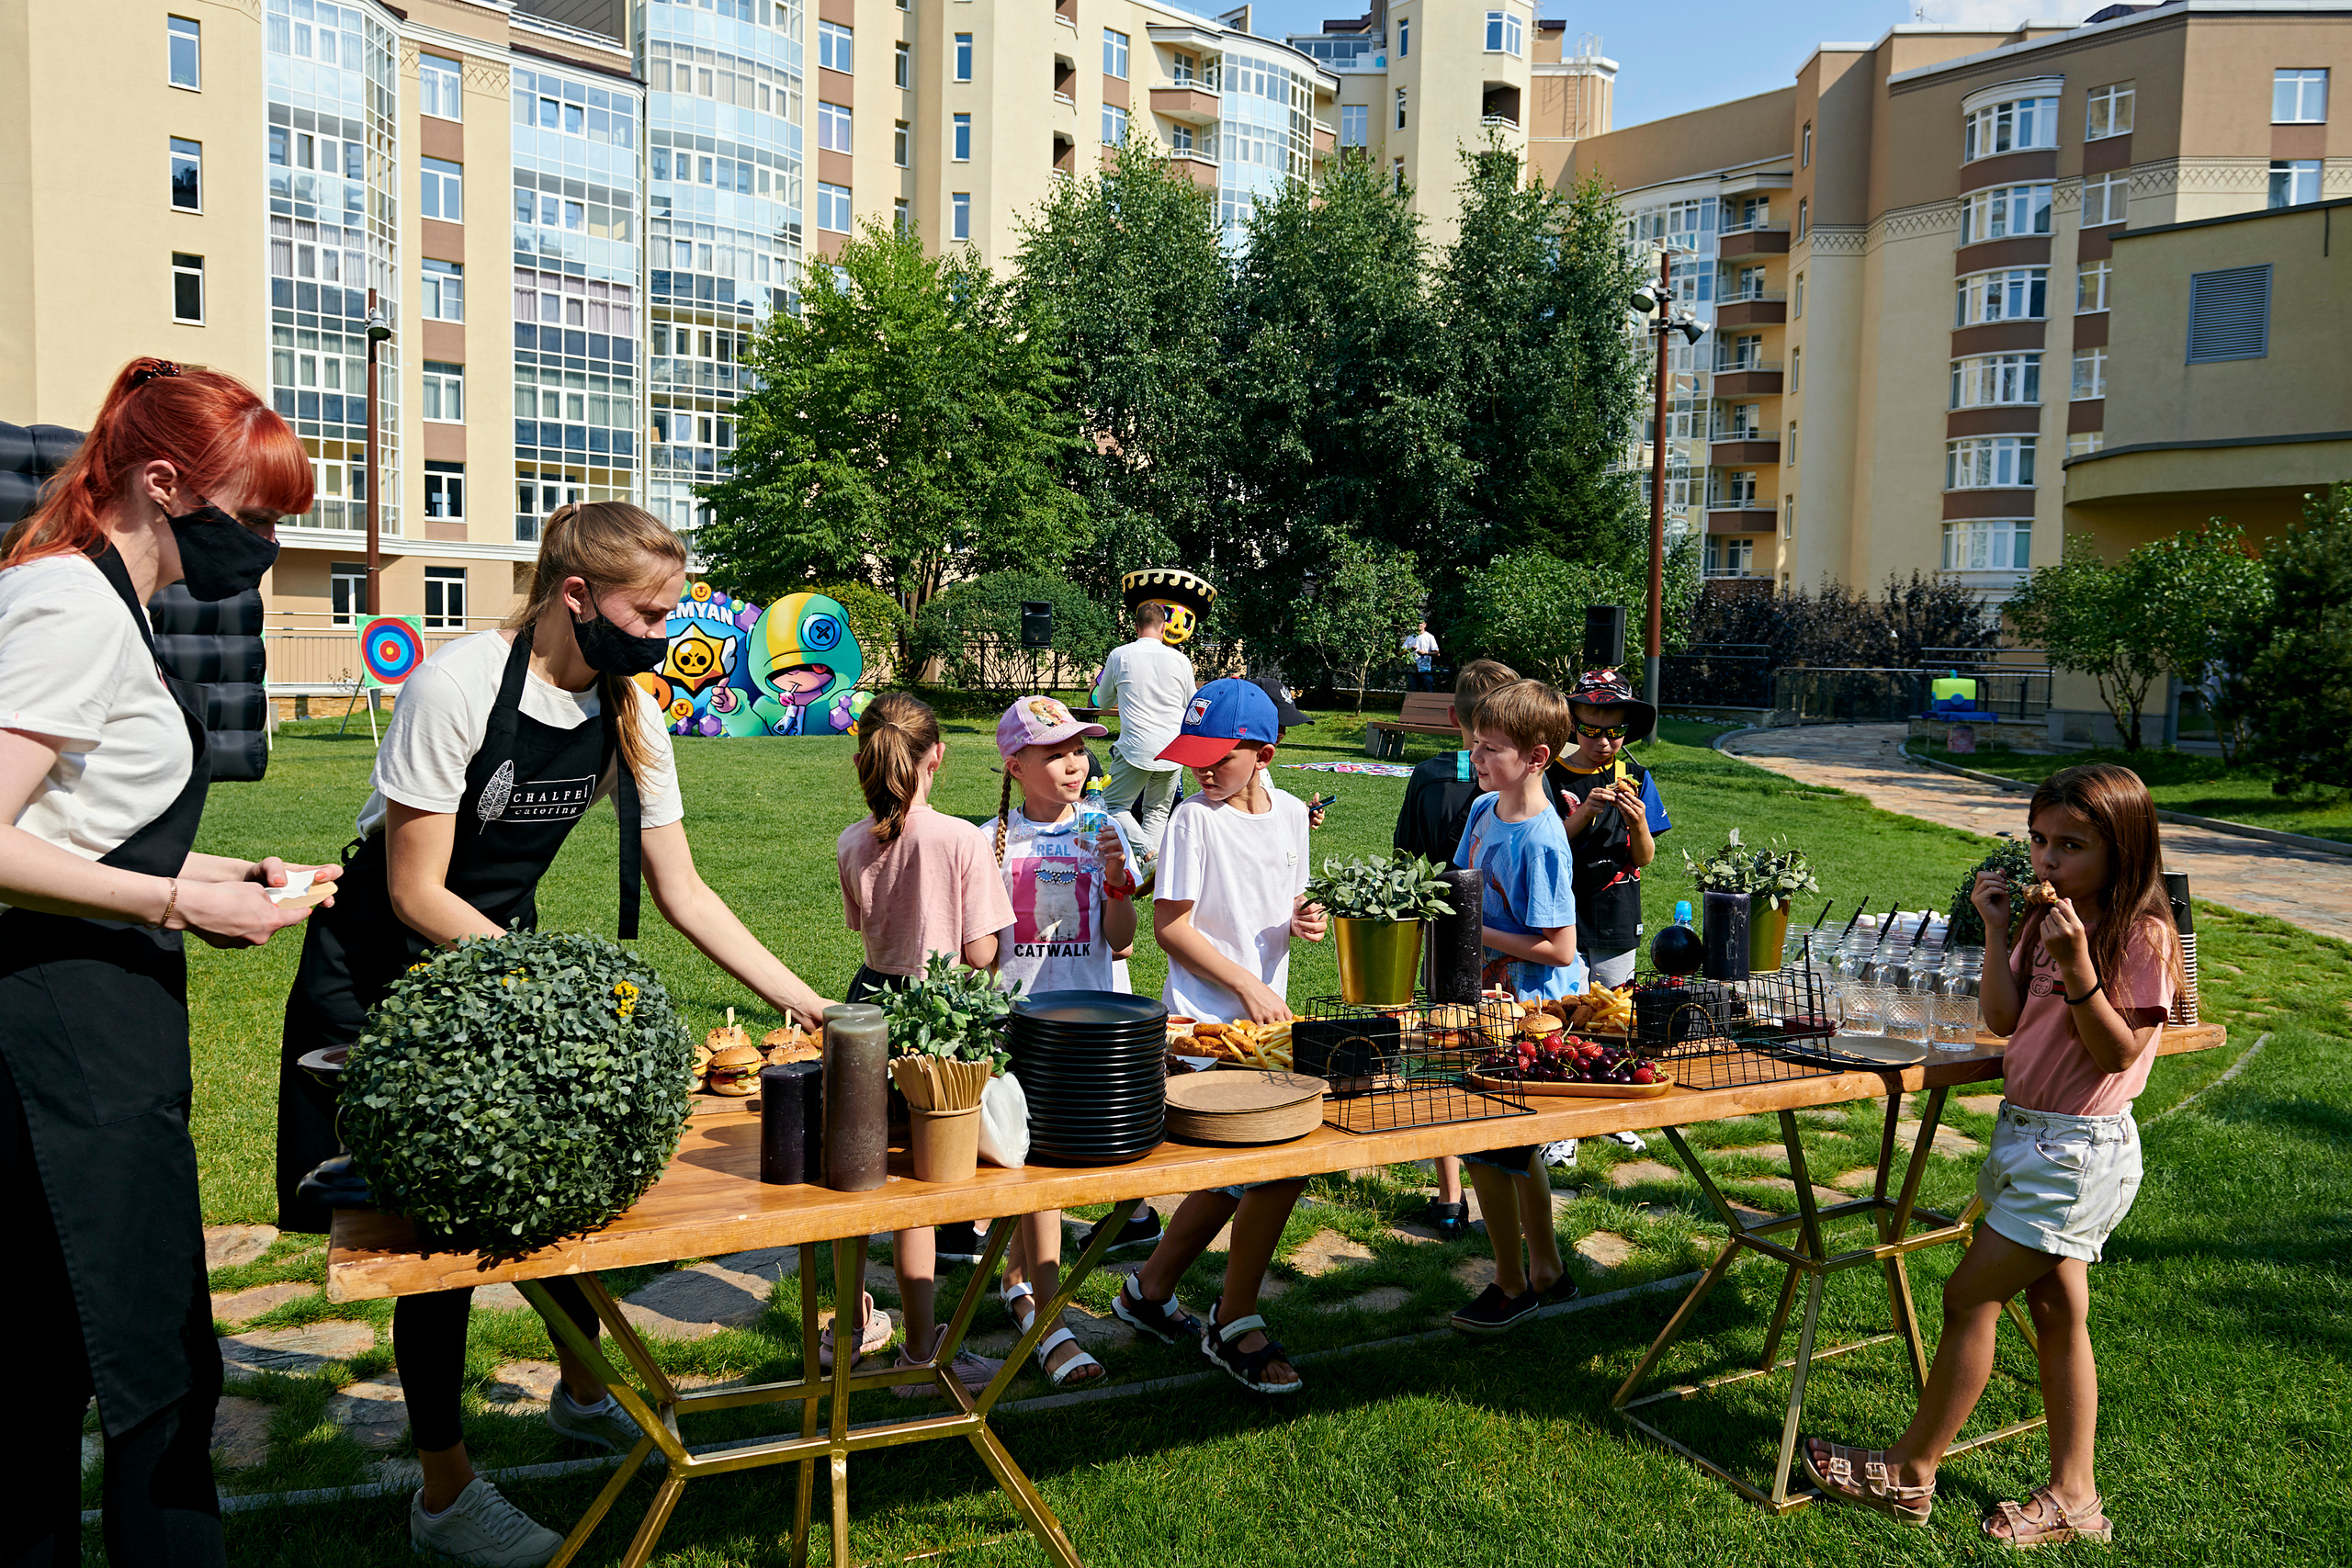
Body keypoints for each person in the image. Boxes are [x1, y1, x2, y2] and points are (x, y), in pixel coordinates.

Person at [277, 502, 836, 1567]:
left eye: (673, 609)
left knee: (555, 1190)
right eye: (649, 609)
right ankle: (444, 1496)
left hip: (500, 965)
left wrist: (799, 997)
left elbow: (682, 888)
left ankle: (580, 1394)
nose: (664, 629)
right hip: (381, 973)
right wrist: (557, 992)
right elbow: (412, 890)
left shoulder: (631, 706)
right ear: (575, 596)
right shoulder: (454, 685)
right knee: (433, 1242)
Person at [3, 358, 323, 1565]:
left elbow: (70, 820)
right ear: (157, 481)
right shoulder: (71, 606)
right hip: (66, 1038)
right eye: (254, 517)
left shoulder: (96, 599)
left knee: (40, 1374)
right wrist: (174, 900)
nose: (265, 546)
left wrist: (219, 871)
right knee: (156, 1380)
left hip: (86, 1016)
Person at [1803, 764, 2182, 1545]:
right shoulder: (2054, 918)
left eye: (2071, 846)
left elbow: (2116, 1053)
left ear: (2124, 848)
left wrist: (2079, 966)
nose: (2047, 860)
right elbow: (2004, 1019)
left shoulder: (2141, 936)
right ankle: (2077, 1497)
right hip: (2026, 1134)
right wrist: (2003, 929)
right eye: (2039, 841)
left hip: (2075, 1150)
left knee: (1969, 1296)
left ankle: (1911, 1471)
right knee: (2056, 1308)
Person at [1109, 680, 1326, 1393]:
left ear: (1264, 751)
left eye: (1216, 755)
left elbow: (1282, 894)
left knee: (1244, 1176)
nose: (1201, 768)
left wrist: (1302, 918)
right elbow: (1170, 926)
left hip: (1264, 1021)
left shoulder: (1293, 815)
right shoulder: (1193, 820)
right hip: (1204, 1029)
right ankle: (1234, 1321)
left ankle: (1149, 1288)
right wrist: (1243, 983)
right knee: (1276, 1166)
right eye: (1192, 754)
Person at [835, 691, 1014, 1398]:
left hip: (866, 1010)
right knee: (920, 1188)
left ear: (864, 763)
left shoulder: (851, 841)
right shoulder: (963, 839)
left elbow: (865, 927)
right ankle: (918, 1347)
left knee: (853, 1174)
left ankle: (848, 1328)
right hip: (934, 1023)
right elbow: (977, 951)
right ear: (937, 754)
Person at [984, 694, 1134, 1387]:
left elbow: (1123, 938)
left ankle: (1017, 1281)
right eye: (1055, 753)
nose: (1074, 764)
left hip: (1092, 1027)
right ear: (1015, 764)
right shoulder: (989, 840)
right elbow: (982, 954)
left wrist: (1114, 883)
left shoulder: (1107, 829)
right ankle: (1052, 1328)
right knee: (1035, 1167)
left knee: (1057, 1169)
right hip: (1020, 1030)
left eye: (1079, 750)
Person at [1449, 679, 1586, 1336]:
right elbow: (1461, 885)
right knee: (1517, 1146)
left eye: (1492, 748)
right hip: (1486, 1002)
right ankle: (1549, 1270)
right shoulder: (1482, 812)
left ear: (1537, 756)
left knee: (1484, 1145)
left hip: (1530, 1014)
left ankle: (1510, 1281)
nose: (1478, 759)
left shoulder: (1542, 839)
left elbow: (1560, 948)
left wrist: (1476, 931)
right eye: (1476, 744)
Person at [1390, 658, 1522, 1236]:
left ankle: (1450, 1197)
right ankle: (1511, 1190)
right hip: (1512, 948)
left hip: (1444, 939)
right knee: (1503, 1061)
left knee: (1441, 1063)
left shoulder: (1429, 777)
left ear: (1452, 716)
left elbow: (1406, 863)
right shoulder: (1518, 777)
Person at [1538, 667, 1673, 1171]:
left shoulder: (1636, 777)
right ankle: (1564, 1124)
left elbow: (1644, 857)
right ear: (1574, 724)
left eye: (1615, 730)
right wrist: (1585, 813)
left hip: (1618, 911)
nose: (1604, 741)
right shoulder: (1551, 773)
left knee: (1615, 1015)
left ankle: (1614, 1108)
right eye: (1592, 729)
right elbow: (1547, 846)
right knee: (1564, 1013)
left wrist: (1639, 823)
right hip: (1561, 911)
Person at [1090, 571, 1207, 860]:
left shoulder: (1120, 655)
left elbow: (1103, 701)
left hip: (1136, 748)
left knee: (1113, 805)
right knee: (1157, 812)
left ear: (1136, 625)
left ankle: (1148, 854)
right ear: (1164, 625)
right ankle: (1152, 867)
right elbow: (1191, 705)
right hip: (1173, 748)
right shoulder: (1181, 660)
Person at [1402, 619, 1439, 692]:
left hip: (1425, 669)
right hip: (1412, 670)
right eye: (1417, 623)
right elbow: (1400, 653)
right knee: (1413, 692)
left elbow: (1437, 653)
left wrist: (1425, 653)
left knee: (1428, 692)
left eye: (1421, 624)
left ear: (1425, 625)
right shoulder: (1410, 637)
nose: (1419, 625)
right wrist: (1410, 650)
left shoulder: (1429, 637)